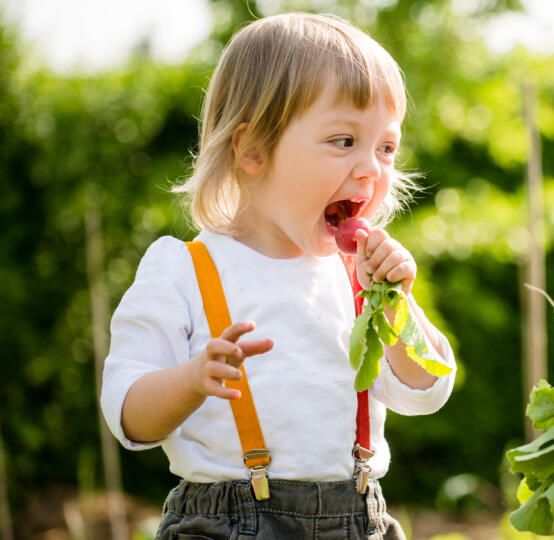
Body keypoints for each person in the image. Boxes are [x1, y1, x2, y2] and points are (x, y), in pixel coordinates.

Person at [99, 13, 456, 539]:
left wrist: (397, 304)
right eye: (343, 140)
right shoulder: (186, 268)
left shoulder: (358, 279)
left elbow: (426, 391)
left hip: (356, 519)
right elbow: (127, 414)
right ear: (253, 151)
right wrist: (191, 380)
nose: (371, 169)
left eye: (385, 147)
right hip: (226, 523)